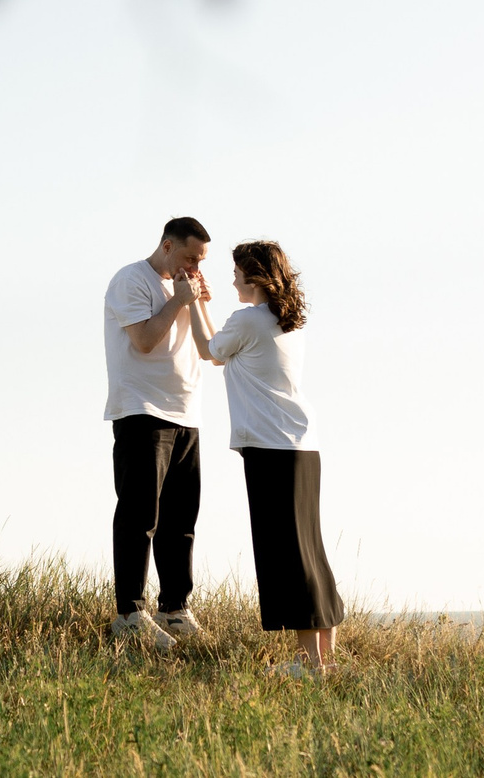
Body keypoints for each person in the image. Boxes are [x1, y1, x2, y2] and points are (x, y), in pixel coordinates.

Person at [185, 238, 344, 677]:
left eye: (236, 270)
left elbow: (208, 351)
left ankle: (308, 663)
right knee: (308, 549)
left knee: (287, 553)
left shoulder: (249, 319)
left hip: (271, 449)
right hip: (301, 447)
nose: (231, 276)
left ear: (253, 274)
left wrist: (192, 301)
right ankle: (324, 660)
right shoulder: (281, 321)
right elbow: (221, 347)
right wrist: (200, 304)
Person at [102, 216, 214, 650]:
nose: (194, 265)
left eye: (201, 260)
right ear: (167, 246)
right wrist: (179, 302)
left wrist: (198, 302)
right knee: (139, 517)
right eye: (189, 256)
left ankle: (174, 607)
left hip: (187, 414)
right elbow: (144, 341)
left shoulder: (185, 288)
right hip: (141, 411)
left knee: (181, 519)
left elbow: (209, 351)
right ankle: (129, 612)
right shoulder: (131, 280)